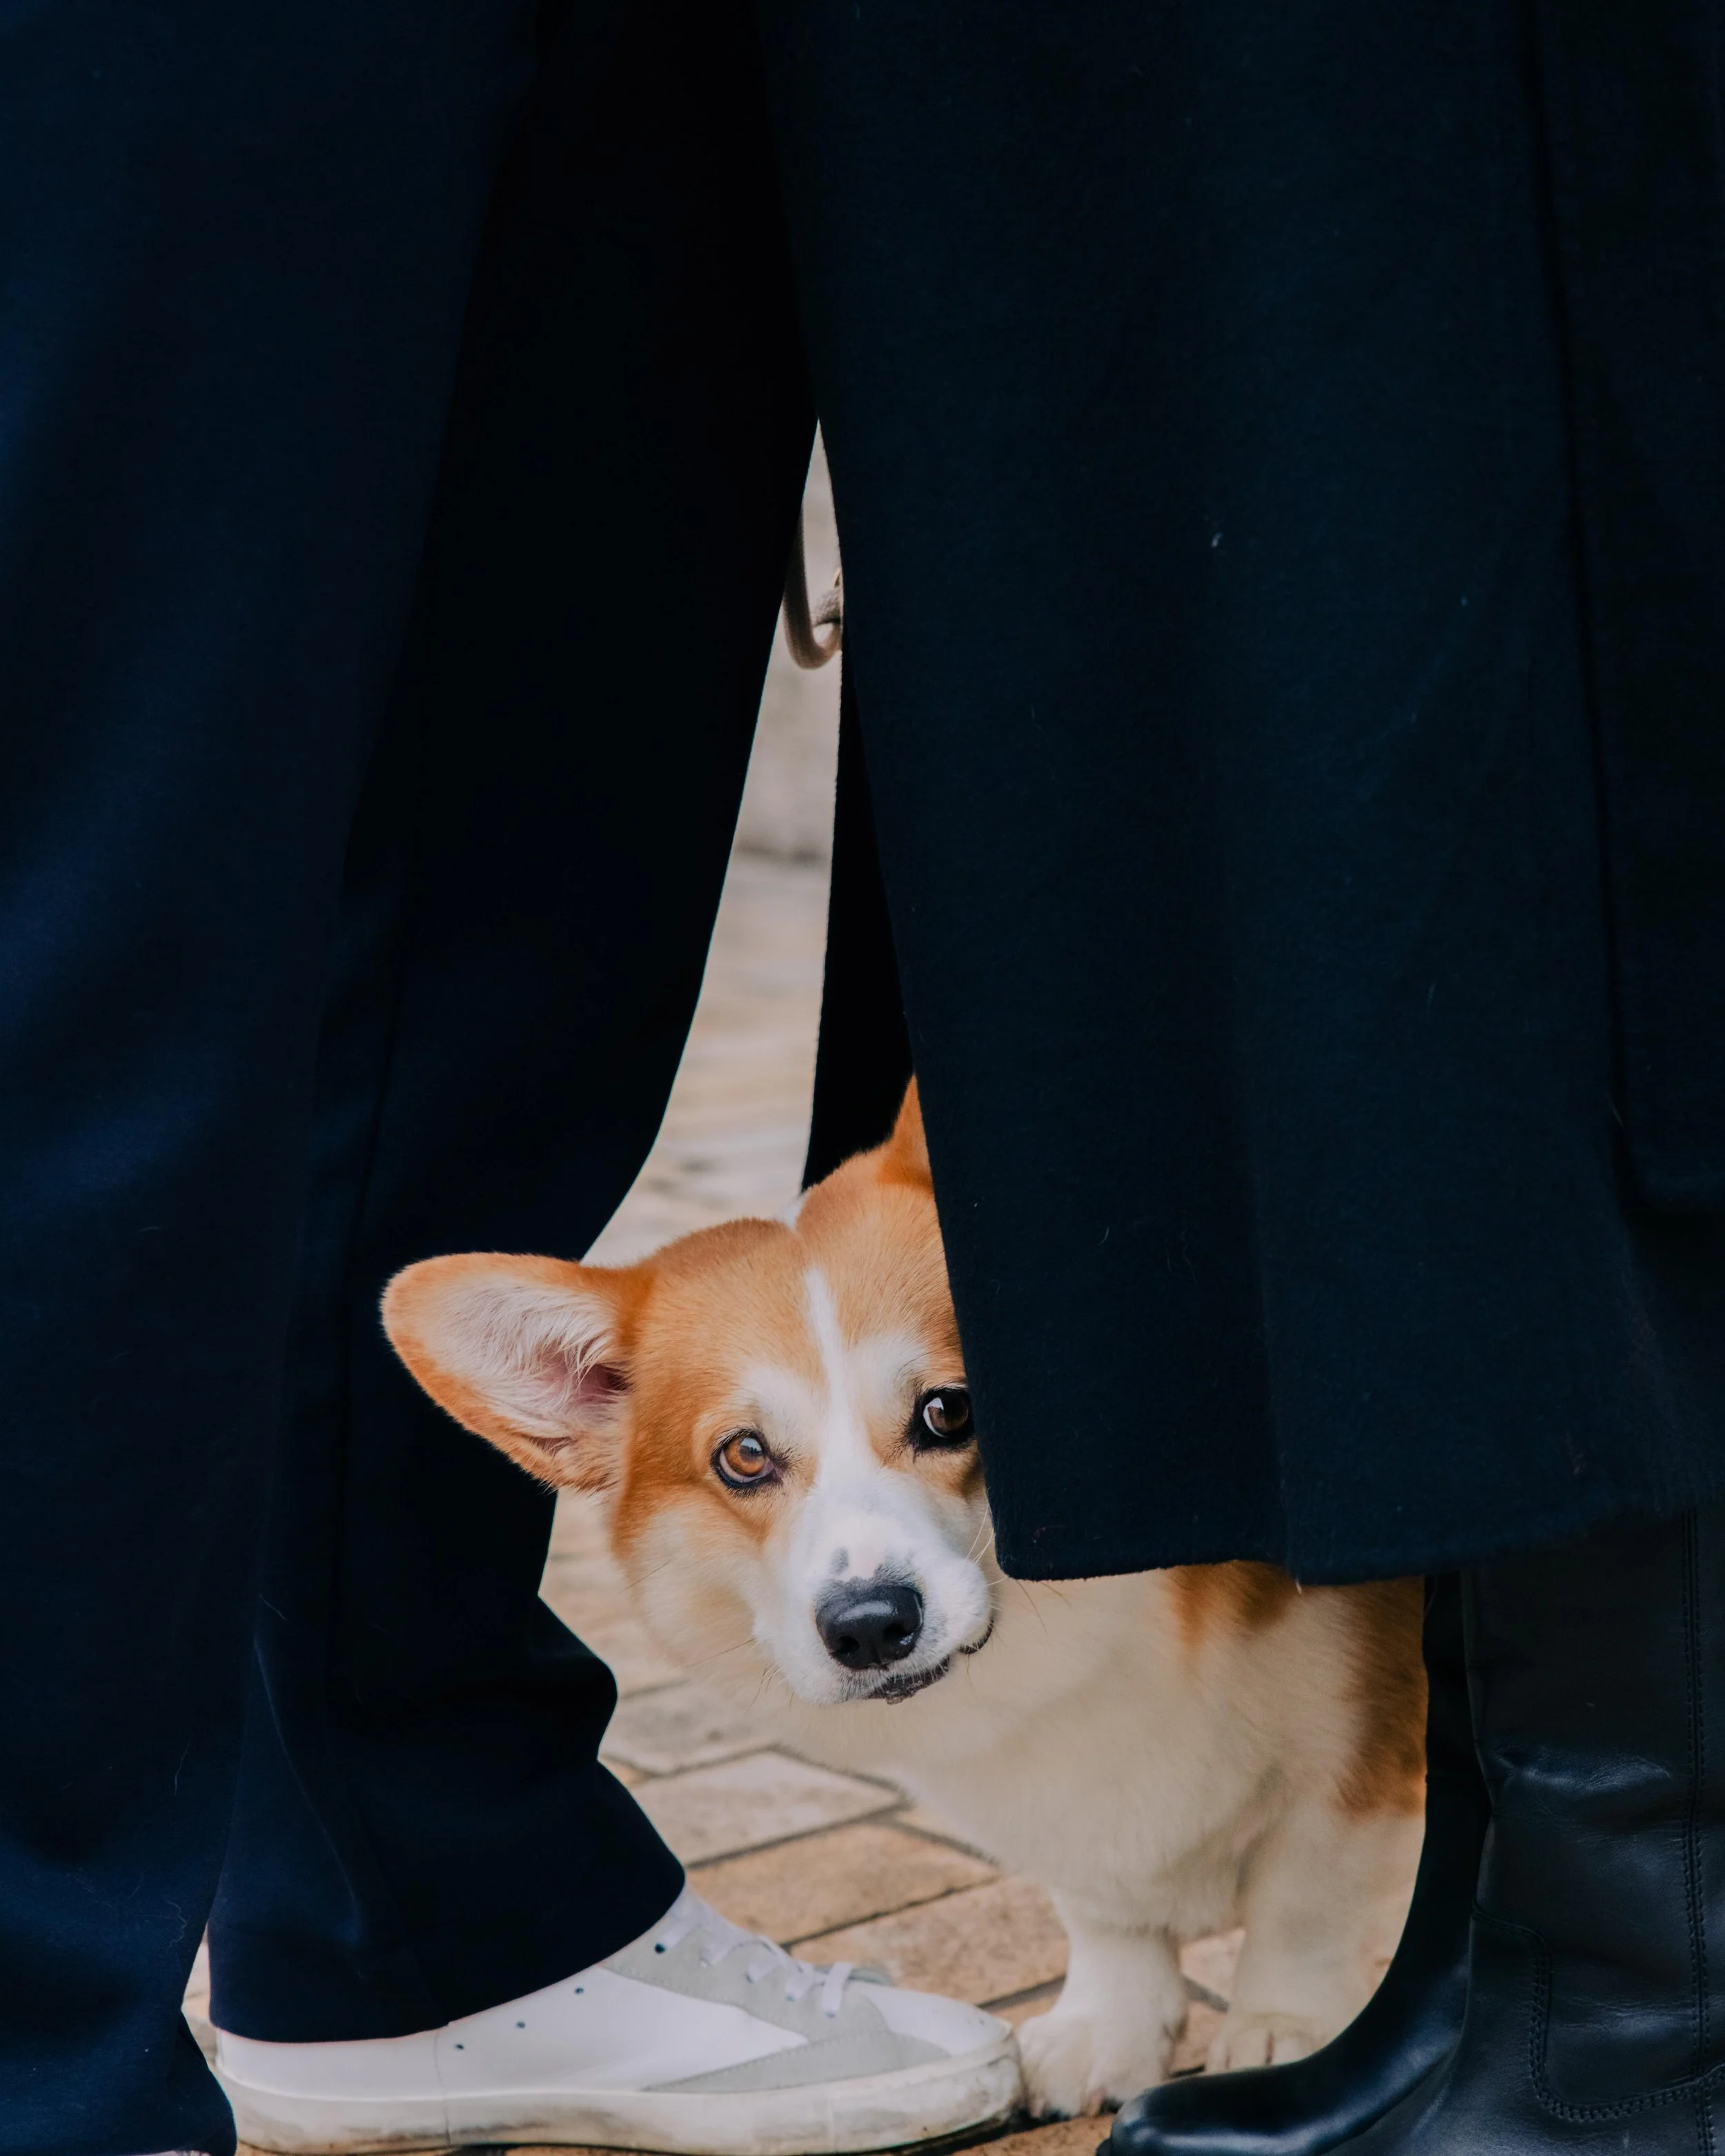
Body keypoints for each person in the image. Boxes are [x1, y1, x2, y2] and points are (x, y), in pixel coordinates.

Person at [7, 3, 1725, 2155]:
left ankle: (417, 1894)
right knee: (119, 887)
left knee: (524, 879)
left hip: (769, 67)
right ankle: (41, 2058)